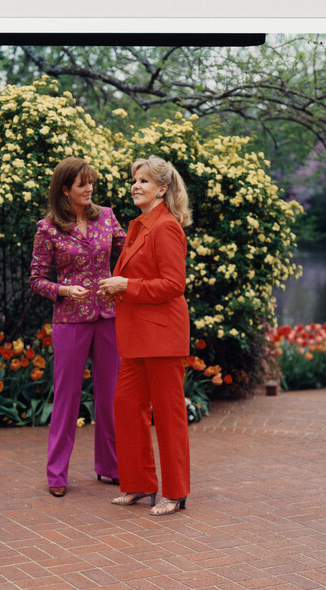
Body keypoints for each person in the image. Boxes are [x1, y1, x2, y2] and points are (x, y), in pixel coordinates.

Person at [97, 155, 192, 517]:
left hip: (162, 335)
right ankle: (140, 484)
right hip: (137, 335)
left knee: (168, 414)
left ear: (162, 189)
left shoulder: (166, 227)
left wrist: (127, 285)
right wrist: (117, 287)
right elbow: (141, 278)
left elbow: (173, 284)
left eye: (144, 181)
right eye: (134, 180)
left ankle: (176, 492)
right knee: (126, 405)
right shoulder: (139, 225)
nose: (135, 185)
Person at [30, 157, 126, 497]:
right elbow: (37, 280)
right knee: (67, 398)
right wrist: (64, 290)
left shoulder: (108, 218)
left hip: (108, 317)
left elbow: (129, 255)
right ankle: (57, 474)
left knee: (111, 396)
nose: (89, 189)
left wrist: (122, 280)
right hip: (70, 320)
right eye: (82, 184)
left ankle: (110, 467)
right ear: (65, 189)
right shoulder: (48, 228)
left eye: (91, 183)